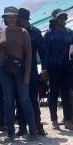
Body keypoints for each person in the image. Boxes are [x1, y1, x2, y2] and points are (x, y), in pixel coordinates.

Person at [0, 6, 37, 142]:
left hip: (21, 70)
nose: (11, 19)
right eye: (8, 16)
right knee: (8, 102)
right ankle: (10, 134)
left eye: (13, 16)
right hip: (3, 70)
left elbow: (29, 55)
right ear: (5, 19)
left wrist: (28, 73)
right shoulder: (0, 34)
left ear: (17, 18)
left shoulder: (24, 32)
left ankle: (33, 132)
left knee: (24, 100)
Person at [44, 9, 73, 130]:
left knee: (66, 94)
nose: (63, 20)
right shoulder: (48, 34)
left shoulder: (69, 32)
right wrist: (45, 69)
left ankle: (68, 120)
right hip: (53, 67)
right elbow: (45, 53)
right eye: (60, 18)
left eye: (64, 17)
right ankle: (54, 120)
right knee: (53, 93)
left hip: (67, 66)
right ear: (55, 19)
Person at [17, 8, 48, 136]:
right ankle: (22, 126)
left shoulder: (35, 32)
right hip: (17, 71)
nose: (20, 21)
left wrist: (45, 69)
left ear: (26, 19)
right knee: (19, 99)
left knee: (33, 99)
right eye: (20, 19)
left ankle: (37, 125)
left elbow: (43, 52)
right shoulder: (15, 31)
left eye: (22, 19)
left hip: (33, 71)